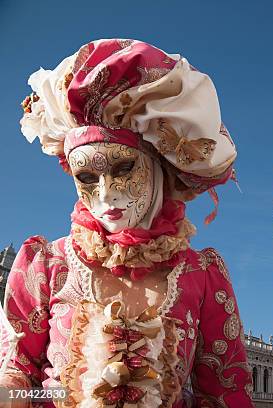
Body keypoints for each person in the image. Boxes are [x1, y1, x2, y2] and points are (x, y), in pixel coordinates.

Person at [0, 39, 254, 407]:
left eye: (123, 169)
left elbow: (224, 392)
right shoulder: (46, 265)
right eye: (87, 177)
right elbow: (17, 369)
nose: (106, 194)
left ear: (161, 169)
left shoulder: (203, 274)